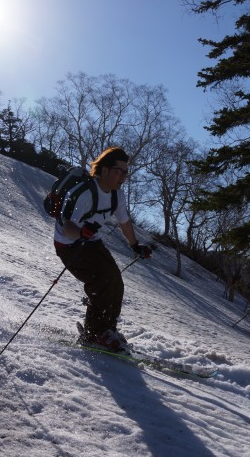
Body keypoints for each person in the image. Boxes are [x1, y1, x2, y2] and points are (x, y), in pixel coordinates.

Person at [53, 147, 152, 352]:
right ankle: (94, 334)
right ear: (104, 170)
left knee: (116, 280)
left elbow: (124, 222)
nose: (123, 176)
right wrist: (81, 233)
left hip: (91, 241)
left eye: (126, 172)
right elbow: (66, 225)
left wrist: (135, 245)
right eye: (119, 171)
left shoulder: (117, 195)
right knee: (103, 279)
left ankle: (108, 331)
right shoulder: (85, 192)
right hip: (69, 244)